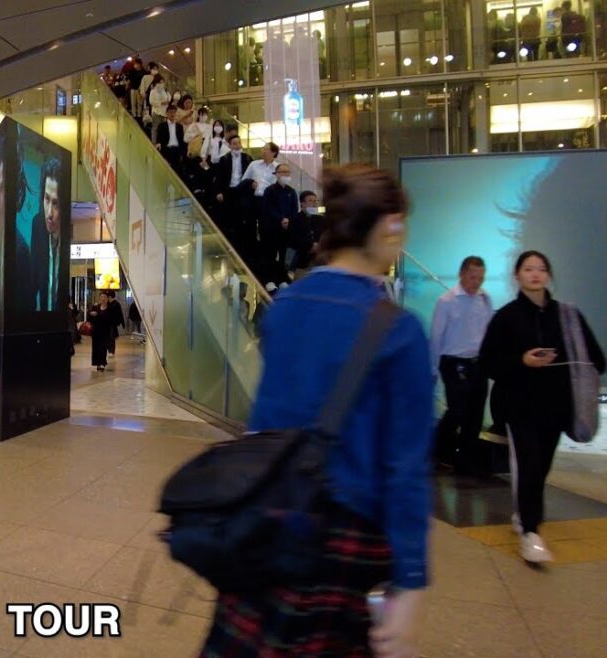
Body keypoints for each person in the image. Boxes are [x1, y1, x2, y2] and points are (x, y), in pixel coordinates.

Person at [203, 164, 432, 658]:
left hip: (269, 524)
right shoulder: (400, 331)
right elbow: (406, 468)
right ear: (387, 227)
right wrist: (410, 579)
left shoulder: (286, 306)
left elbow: (262, 424)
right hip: (343, 539)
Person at [479, 251, 604, 563]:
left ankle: (524, 515)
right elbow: (488, 361)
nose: (535, 274)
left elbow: (595, 358)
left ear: (548, 275)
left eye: (541, 269)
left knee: (541, 467)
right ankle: (531, 532)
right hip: (519, 406)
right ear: (517, 275)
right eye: (528, 269)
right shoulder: (506, 317)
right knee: (528, 465)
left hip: (556, 405)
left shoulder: (567, 316)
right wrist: (522, 360)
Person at [429, 257, 495, 475]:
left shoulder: (485, 299)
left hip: (477, 362)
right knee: (457, 410)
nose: (476, 282)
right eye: (472, 277)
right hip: (453, 361)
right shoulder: (447, 301)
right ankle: (437, 449)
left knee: (476, 413)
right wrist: (433, 368)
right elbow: (436, 336)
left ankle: (465, 458)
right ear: (462, 274)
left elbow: (488, 333)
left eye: (480, 278)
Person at [18, 159, 65, 313]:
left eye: (56, 203)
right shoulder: (38, 224)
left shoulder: (65, 236)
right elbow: (33, 282)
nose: (49, 213)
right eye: (47, 199)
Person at [261, 162, 299, 285]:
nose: (285, 175)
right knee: (270, 255)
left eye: (287, 172)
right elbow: (268, 208)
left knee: (284, 256)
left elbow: (294, 209)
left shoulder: (291, 191)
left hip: (287, 229)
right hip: (272, 228)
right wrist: (281, 219)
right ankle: (269, 281)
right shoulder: (269, 190)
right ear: (276, 174)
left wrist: (288, 220)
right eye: (283, 172)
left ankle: (283, 280)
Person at [86, 292, 115, 371]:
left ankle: (102, 363)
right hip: (95, 332)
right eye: (102, 297)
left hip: (105, 331)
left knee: (103, 348)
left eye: (105, 297)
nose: (103, 299)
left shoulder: (110, 309)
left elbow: (111, 320)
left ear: (107, 299)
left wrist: (98, 315)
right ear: (99, 298)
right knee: (96, 348)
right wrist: (91, 314)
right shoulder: (96, 307)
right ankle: (97, 363)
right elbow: (89, 318)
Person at [156, 104, 186, 170]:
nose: (172, 114)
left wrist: (182, 153)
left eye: (174, 112)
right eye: (170, 112)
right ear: (166, 113)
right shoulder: (162, 125)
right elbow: (158, 139)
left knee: (178, 170)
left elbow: (182, 140)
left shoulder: (179, 126)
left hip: (177, 151)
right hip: (166, 150)